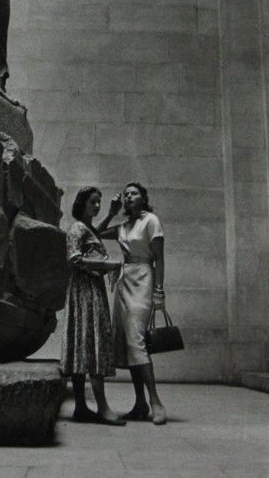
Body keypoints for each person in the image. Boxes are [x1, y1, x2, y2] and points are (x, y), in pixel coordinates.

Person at [99, 182, 167, 425]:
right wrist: (110, 212)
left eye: (134, 193)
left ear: (143, 197)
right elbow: (94, 234)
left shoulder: (151, 221)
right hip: (124, 281)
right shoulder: (123, 225)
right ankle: (139, 403)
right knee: (129, 343)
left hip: (144, 278)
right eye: (126, 194)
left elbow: (159, 258)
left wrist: (159, 292)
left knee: (137, 340)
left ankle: (155, 401)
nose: (129, 196)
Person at [60, 187, 125, 425]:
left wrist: (110, 214)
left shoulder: (84, 228)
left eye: (99, 202)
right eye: (93, 202)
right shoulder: (77, 228)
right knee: (93, 344)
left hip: (87, 290)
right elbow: (73, 258)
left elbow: (93, 235)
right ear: (82, 204)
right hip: (85, 292)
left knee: (83, 345)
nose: (96, 206)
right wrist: (106, 265)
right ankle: (103, 408)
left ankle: (80, 407)